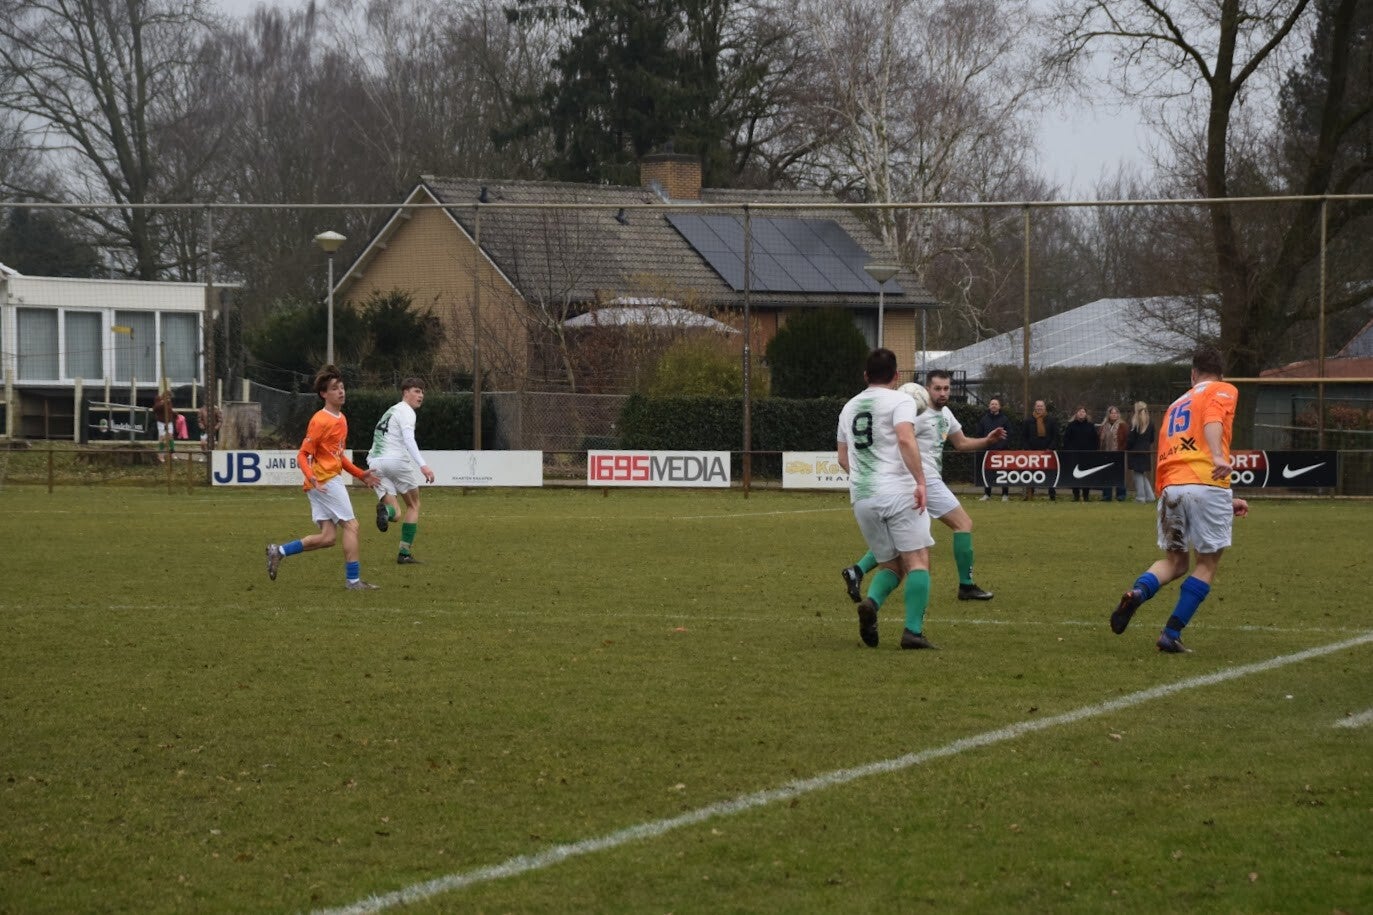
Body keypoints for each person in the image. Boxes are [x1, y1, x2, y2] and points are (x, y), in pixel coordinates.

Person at [1109, 347, 1249, 653]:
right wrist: (1217, 457)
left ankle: (1138, 592)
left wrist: (1169, 491)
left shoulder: (1176, 404)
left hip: (1173, 487)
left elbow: (1170, 450)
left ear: (1193, 374)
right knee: (1207, 564)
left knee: (1175, 562)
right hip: (1207, 483)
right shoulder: (1222, 390)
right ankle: (1170, 634)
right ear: (1220, 374)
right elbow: (1213, 420)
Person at [841, 368, 1007, 607]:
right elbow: (896, 441)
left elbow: (961, 443)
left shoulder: (946, 413)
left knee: (904, 541)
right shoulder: (913, 412)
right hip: (921, 480)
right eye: (937, 388)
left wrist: (987, 441)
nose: (943, 393)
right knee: (962, 524)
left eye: (946, 388)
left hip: (924, 481)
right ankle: (966, 585)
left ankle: (856, 570)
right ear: (926, 389)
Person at [836, 348, 936, 649]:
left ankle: (871, 604)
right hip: (898, 492)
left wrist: (865, 479)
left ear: (866, 375)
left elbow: (842, 458)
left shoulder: (848, 408)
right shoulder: (901, 400)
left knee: (891, 565)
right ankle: (912, 632)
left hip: (863, 498)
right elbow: (905, 438)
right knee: (917, 561)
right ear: (896, 376)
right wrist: (921, 482)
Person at [266, 365, 383, 590]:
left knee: (328, 537)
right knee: (351, 526)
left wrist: (360, 474)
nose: (341, 391)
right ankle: (353, 581)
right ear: (323, 394)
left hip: (320, 483)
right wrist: (312, 477)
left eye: (342, 387)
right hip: (324, 480)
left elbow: (338, 456)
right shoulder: (320, 420)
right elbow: (302, 454)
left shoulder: (342, 419)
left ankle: (278, 551)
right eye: (335, 388)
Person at [366, 377, 436, 564]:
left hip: (375, 463)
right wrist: (423, 465)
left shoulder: (390, 411)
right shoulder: (407, 411)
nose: (421, 395)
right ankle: (404, 553)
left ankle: (386, 512)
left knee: (396, 513)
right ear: (405, 392)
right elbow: (408, 439)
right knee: (414, 505)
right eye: (416, 391)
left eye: (422, 392)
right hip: (395, 461)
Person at [1020, 399, 1059, 500]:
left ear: (1044, 407)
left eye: (1041, 406)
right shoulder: (1028, 421)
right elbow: (1024, 436)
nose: (1039, 408)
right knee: (1031, 473)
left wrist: (1050, 448)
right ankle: (1030, 494)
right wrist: (1028, 449)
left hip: (1048, 451)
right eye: (1038, 406)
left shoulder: (1051, 420)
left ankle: (1052, 495)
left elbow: (1055, 436)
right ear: (1035, 407)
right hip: (1032, 452)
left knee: (1050, 473)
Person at [976, 397, 1013, 501]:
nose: (994, 406)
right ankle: (987, 494)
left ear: (999, 406)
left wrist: (1001, 445)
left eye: (996, 404)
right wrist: (984, 444)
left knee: (1003, 473)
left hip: (1002, 451)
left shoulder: (1005, 419)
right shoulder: (984, 419)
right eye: (992, 404)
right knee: (988, 472)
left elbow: (1009, 434)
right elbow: (979, 433)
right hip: (988, 451)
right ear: (989, 406)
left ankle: (1005, 494)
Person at [1061, 405, 1099, 502]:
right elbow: (1066, 440)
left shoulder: (1090, 426)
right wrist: (1070, 451)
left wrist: (1093, 451)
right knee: (1075, 476)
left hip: (1087, 455)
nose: (1081, 413)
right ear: (1076, 413)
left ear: (1086, 414)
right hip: (1074, 455)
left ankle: (1086, 496)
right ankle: (1076, 496)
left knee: (1087, 476)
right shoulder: (1071, 425)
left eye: (1083, 412)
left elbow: (1095, 440)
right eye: (1079, 411)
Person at [1126, 401, 1157, 503]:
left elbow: (1130, 440)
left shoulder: (1135, 422)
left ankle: (1140, 497)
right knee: (1141, 474)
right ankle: (1150, 496)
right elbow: (1152, 439)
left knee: (1137, 475)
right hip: (1145, 451)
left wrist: (1127, 447)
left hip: (1135, 452)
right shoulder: (1150, 423)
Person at [1097, 405, 1128, 502]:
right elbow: (1100, 440)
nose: (1114, 415)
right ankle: (1107, 496)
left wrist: (1122, 450)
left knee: (1119, 475)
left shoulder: (1123, 425)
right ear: (1109, 415)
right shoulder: (1104, 426)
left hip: (1118, 453)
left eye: (1116, 413)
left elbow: (1126, 440)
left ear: (1118, 414)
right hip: (1106, 453)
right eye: (1112, 413)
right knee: (1106, 475)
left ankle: (1121, 495)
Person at [152, 390, 175, 463]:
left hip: (169, 422)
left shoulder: (169, 402)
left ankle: (172, 453)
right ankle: (161, 455)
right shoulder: (159, 400)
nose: (169, 399)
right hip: (161, 422)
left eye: (170, 398)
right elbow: (155, 409)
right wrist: (162, 403)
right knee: (162, 438)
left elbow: (169, 411)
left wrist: (176, 415)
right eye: (168, 397)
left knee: (170, 437)